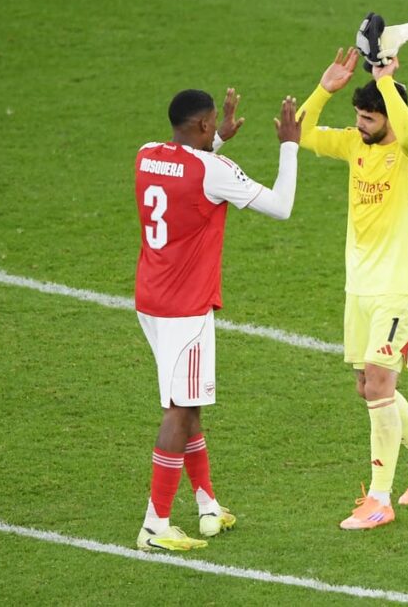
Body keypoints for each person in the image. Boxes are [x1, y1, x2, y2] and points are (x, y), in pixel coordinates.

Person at [134, 88, 303, 550]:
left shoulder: (147, 156)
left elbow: (189, 169)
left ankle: (208, 506)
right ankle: (155, 525)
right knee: (180, 408)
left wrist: (219, 140)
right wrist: (289, 142)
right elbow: (282, 206)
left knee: (188, 401)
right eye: (213, 125)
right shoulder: (214, 171)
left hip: (151, 300)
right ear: (204, 125)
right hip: (186, 309)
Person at [297, 48, 408, 530]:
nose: (361, 126)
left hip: (402, 286)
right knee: (368, 387)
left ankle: (380, 499)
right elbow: (298, 132)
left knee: (381, 383)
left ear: (390, 113)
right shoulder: (355, 145)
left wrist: (386, 81)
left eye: (369, 119)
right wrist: (326, 88)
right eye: (358, 117)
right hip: (360, 288)